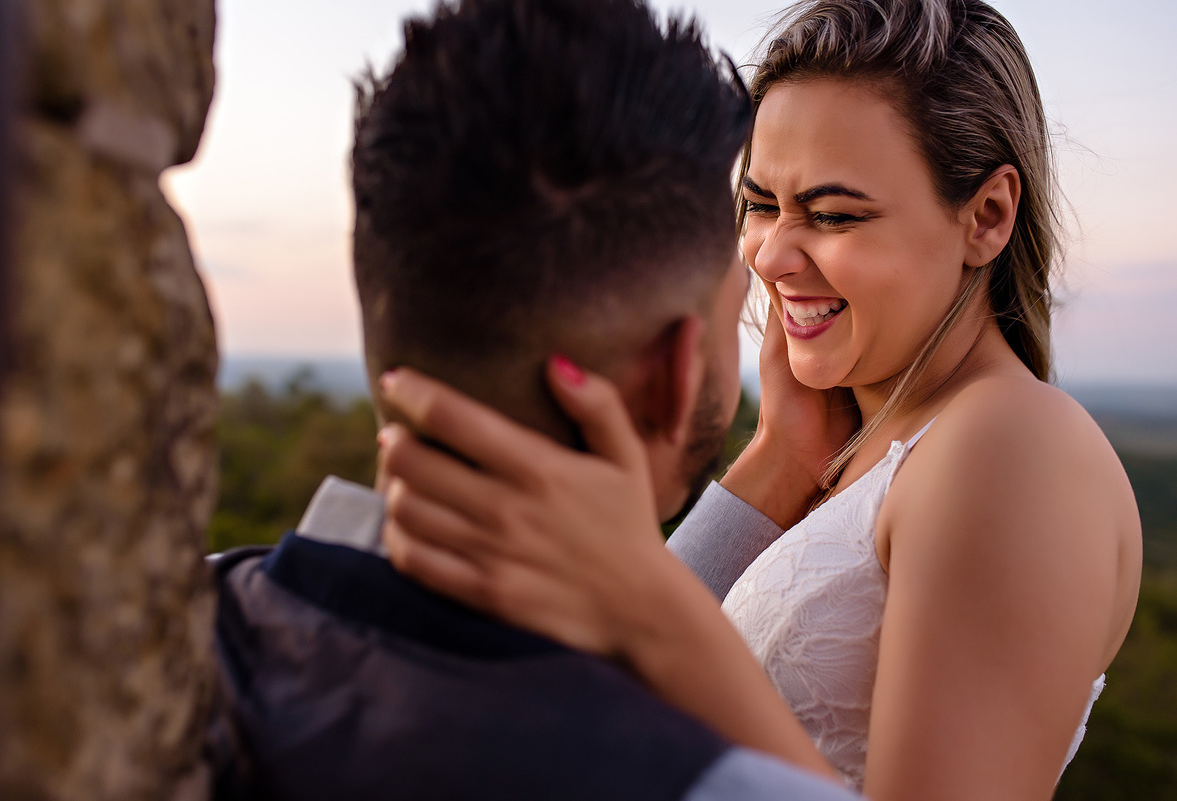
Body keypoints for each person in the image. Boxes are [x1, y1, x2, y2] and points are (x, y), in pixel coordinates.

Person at [375, 1, 1144, 799]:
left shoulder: (1011, 445)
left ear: (986, 217)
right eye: (760, 204)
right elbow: (611, 691)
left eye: (834, 214)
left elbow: (660, 657)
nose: (770, 255)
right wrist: (781, 458)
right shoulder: (862, 449)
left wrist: (644, 599)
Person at [206, 0, 863, 798]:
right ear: (675, 375)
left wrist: (779, 464)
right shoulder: (710, 781)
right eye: (733, 318)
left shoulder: (136, 630)